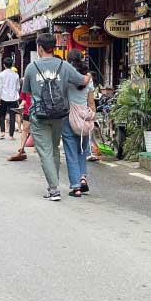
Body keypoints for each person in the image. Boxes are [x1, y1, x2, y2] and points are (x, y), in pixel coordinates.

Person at [21, 33, 91, 201]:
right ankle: (54, 184)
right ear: (54, 47)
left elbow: (27, 91)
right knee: (53, 149)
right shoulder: (64, 66)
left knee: (45, 151)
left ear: (39, 48)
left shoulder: (32, 67)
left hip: (39, 116)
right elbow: (82, 81)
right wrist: (89, 76)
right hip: (59, 116)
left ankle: (53, 189)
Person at [61, 50, 95, 197]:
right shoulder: (88, 77)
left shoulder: (66, 76)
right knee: (83, 150)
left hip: (68, 117)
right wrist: (92, 118)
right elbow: (91, 102)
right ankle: (82, 177)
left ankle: (76, 186)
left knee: (71, 151)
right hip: (84, 118)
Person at [0, 57, 21, 140]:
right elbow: (18, 87)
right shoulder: (16, 75)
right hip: (13, 98)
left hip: (4, 98)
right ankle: (11, 135)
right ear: (11, 65)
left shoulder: (1, 74)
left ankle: (2, 132)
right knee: (12, 117)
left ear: (4, 65)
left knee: (2, 115)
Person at [7, 90, 32, 161]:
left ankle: (22, 150)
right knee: (25, 130)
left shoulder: (28, 83)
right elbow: (24, 98)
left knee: (27, 130)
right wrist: (21, 104)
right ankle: (22, 149)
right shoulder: (28, 83)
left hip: (35, 111)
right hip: (29, 111)